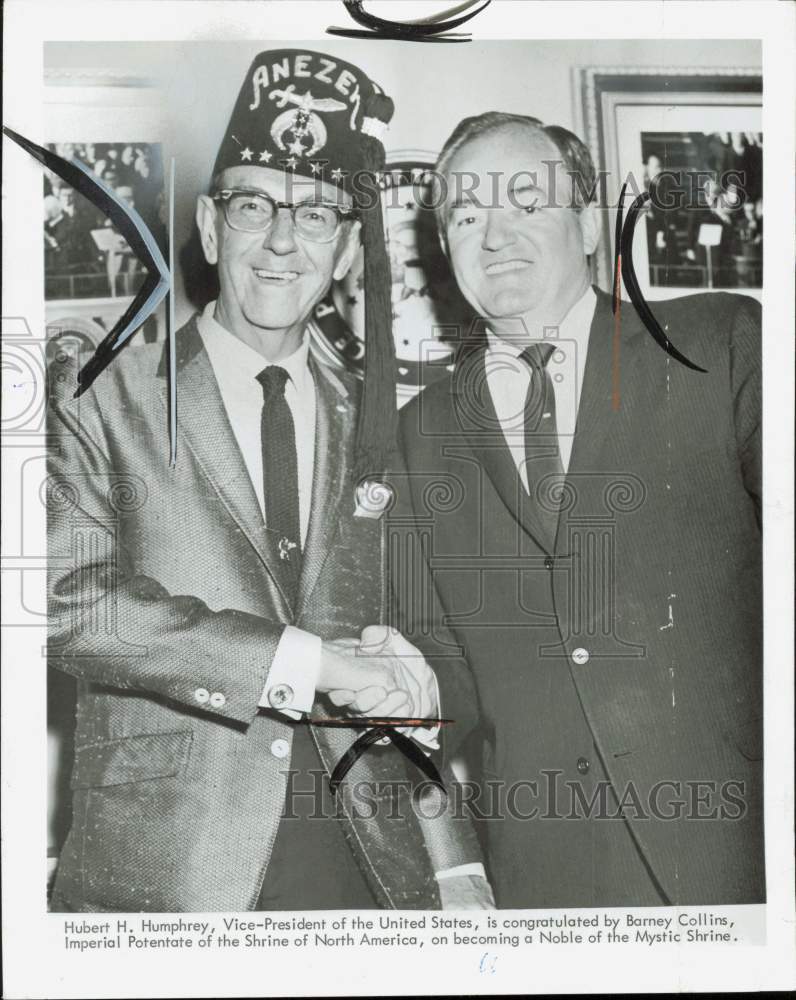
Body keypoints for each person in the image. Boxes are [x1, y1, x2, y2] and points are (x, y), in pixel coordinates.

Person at [47, 49, 492, 913]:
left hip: (367, 869)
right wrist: (305, 664)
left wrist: (453, 858)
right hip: (171, 870)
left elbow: (409, 645)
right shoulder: (99, 391)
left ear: (345, 247)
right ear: (212, 230)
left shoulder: (385, 419)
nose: (283, 241)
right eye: (255, 206)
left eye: (317, 215)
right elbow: (72, 606)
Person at [391, 111, 762, 908]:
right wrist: (406, 681)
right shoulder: (423, 429)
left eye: (526, 201)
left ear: (590, 224)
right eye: (465, 215)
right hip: (542, 867)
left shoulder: (719, 343)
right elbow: (448, 661)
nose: (494, 236)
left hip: (735, 847)